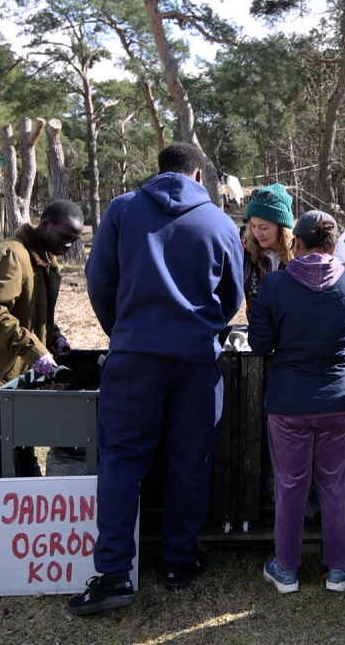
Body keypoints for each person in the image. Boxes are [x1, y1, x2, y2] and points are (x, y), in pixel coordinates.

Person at [68, 142, 244, 616]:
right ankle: (179, 561)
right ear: (200, 177)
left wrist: (124, 331)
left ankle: (113, 574)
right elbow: (231, 297)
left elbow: (99, 280)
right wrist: (204, 331)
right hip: (195, 361)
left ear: (159, 171)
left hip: (133, 357)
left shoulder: (123, 209)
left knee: (122, 460)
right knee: (190, 460)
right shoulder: (220, 223)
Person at [247, 210, 345, 594]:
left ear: (296, 243)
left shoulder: (274, 284)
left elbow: (260, 344)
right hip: (338, 398)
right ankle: (339, 567)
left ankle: (286, 569)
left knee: (290, 485)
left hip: (289, 400)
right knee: (334, 484)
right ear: (334, 246)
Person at [0, 199, 85, 481]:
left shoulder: (42, 261)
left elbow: (33, 312)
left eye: (74, 239)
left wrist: (55, 338)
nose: (69, 245)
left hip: (16, 369)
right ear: (45, 225)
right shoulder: (10, 255)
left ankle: (27, 502)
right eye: (64, 236)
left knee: (21, 441)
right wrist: (35, 351)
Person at [242, 183, 295, 310]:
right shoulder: (245, 251)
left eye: (263, 227)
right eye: (253, 226)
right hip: (257, 322)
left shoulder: (299, 254)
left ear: (282, 228)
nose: (256, 233)